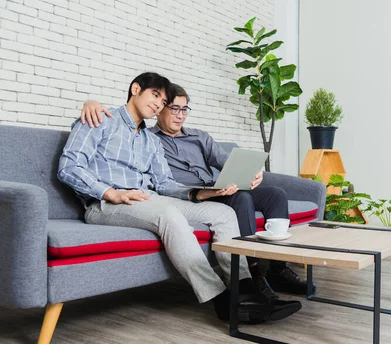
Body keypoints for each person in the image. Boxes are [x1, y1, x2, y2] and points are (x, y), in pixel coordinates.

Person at [59, 72, 301, 324]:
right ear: (135, 89)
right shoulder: (99, 120)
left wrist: (202, 193)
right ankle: (220, 300)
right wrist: (110, 192)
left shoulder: (149, 140)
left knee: (223, 213)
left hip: (148, 197)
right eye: (155, 95)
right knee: (169, 215)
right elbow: (68, 167)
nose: (158, 104)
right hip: (104, 203)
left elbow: (165, 184)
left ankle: (245, 290)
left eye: (163, 101)